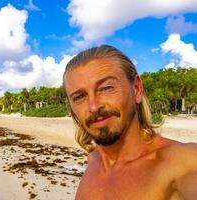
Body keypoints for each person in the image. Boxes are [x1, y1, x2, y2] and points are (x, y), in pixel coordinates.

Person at [63, 45, 197, 200]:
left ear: (137, 89)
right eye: (79, 97)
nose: (93, 106)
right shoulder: (93, 159)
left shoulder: (181, 163)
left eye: (106, 88)